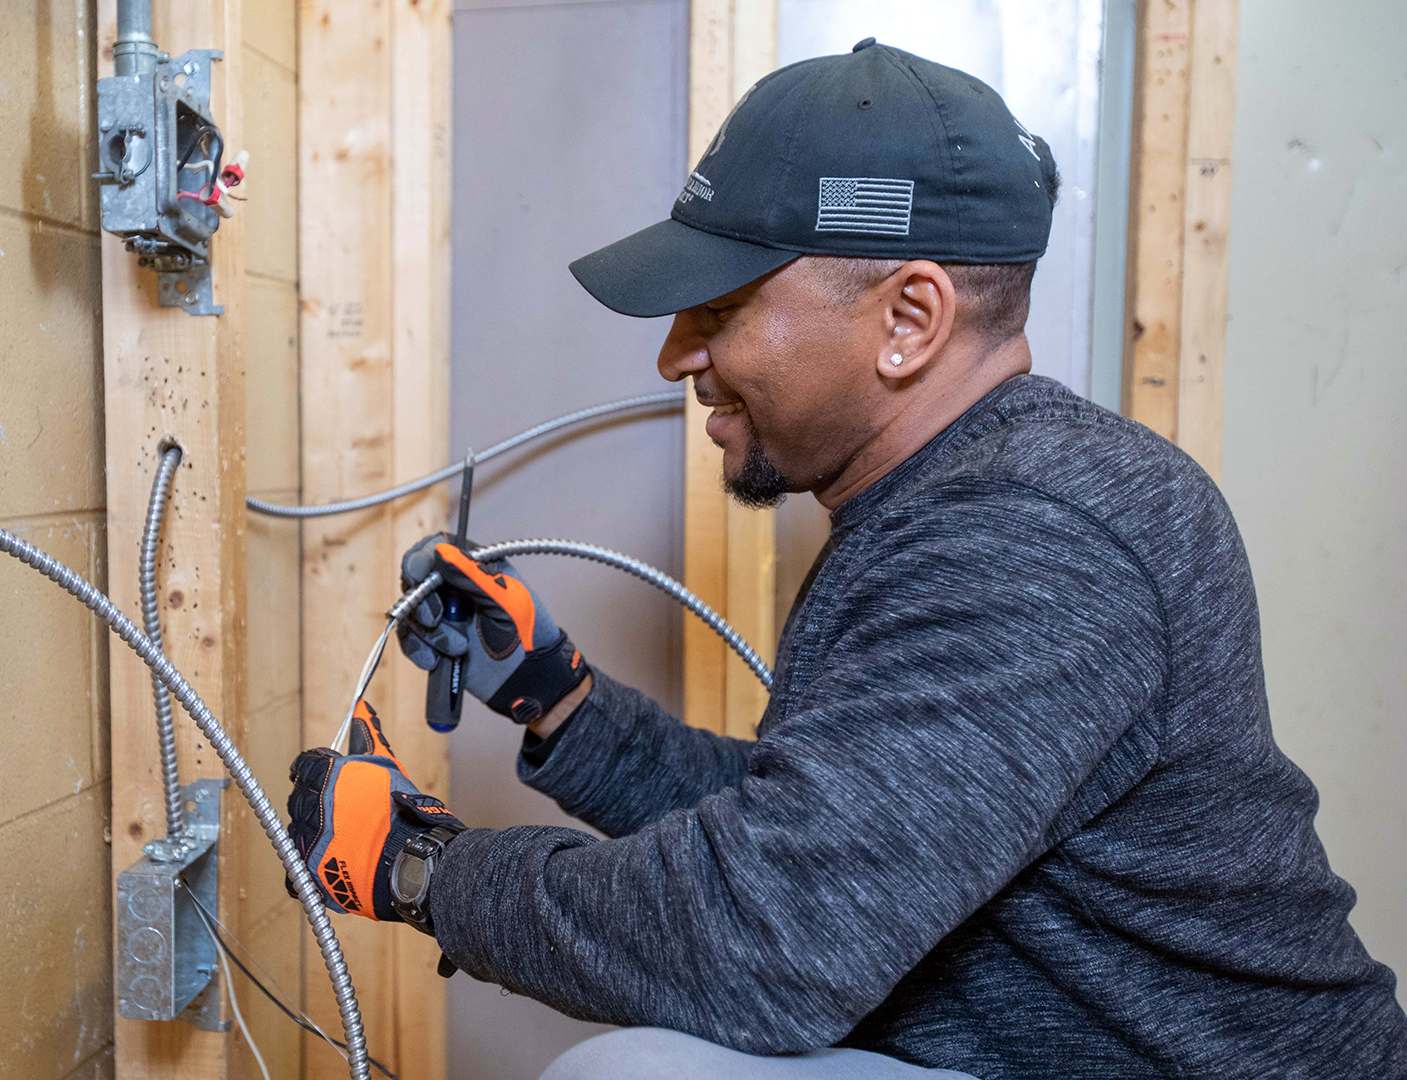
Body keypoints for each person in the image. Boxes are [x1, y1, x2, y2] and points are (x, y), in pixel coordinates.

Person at [284, 39, 1407, 1079]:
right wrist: (564, 705)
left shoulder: (1032, 537)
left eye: (719, 306)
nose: (677, 353)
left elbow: (768, 936)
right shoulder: (956, 500)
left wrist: (420, 870)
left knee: (626, 1075)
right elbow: (833, 837)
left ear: (909, 318)